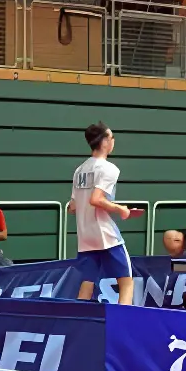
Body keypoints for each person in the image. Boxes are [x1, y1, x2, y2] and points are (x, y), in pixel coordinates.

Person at [70, 121, 135, 305]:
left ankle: (76, 326)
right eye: (112, 137)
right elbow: (96, 199)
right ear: (105, 141)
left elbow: (72, 207)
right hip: (106, 235)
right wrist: (120, 209)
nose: (114, 141)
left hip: (85, 237)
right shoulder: (109, 169)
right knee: (126, 283)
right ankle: (122, 325)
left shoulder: (79, 170)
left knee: (87, 285)